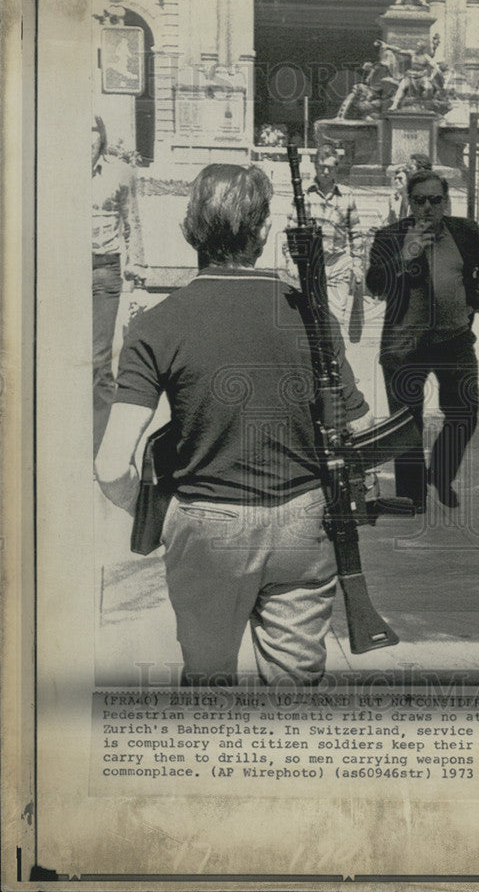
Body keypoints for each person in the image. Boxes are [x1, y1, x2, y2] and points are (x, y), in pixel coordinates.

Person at [95, 164, 370, 686]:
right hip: (303, 523)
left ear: (188, 230)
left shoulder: (157, 323)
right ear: (264, 233)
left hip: (206, 527)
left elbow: (111, 466)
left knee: (209, 682)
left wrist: (159, 515)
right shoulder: (310, 314)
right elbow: (358, 421)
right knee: (294, 693)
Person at [366, 170, 479, 510]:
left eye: (435, 200)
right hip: (404, 344)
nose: (427, 207)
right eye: (420, 200)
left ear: (446, 200)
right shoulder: (389, 236)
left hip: (454, 340)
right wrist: (405, 255)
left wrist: (474, 300)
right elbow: (374, 286)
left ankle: (440, 473)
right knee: (406, 423)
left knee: (465, 412)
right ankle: (413, 497)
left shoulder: (464, 231)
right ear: (408, 201)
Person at [92, 116, 147, 458]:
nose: (87, 137)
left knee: (97, 360)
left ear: (102, 134)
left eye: (93, 129)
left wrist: (138, 277)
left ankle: (100, 449)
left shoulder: (120, 173)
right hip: (60, 271)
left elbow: (134, 223)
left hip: (104, 270)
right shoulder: (55, 168)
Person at [282, 144, 365, 342]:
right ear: (315, 166)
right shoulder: (304, 195)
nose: (325, 171)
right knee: (312, 321)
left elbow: (355, 232)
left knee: (334, 320)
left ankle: (336, 366)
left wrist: (358, 262)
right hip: (311, 266)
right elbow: (291, 232)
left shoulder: (347, 196)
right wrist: (290, 260)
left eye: (330, 167)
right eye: (321, 166)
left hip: (338, 265)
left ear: (336, 168)